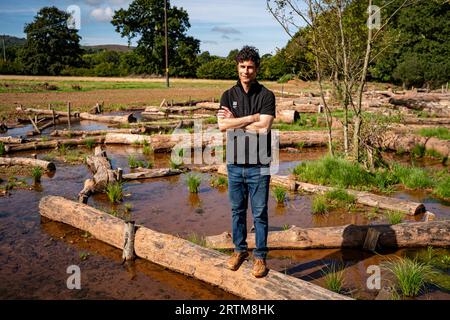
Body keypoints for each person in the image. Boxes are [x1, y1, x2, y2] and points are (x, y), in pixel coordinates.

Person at [217, 46, 276, 278]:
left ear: (256, 68)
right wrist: (252, 119)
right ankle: (240, 250)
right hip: (234, 164)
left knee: (260, 213)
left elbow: (264, 129)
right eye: (242, 66)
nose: (246, 71)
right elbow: (222, 126)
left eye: (250, 67)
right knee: (237, 211)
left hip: (259, 164)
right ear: (237, 67)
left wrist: (238, 122)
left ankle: (260, 257)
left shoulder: (266, 95)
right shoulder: (227, 95)